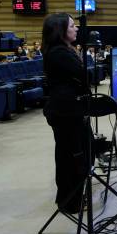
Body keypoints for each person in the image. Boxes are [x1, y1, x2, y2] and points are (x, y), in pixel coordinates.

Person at [42, 13, 91, 214]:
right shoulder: (59, 53)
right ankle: (69, 201)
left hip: (70, 108)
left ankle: (73, 195)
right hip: (65, 111)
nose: (76, 28)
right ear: (60, 30)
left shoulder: (63, 50)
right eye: (72, 26)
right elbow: (84, 76)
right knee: (70, 156)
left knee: (78, 152)